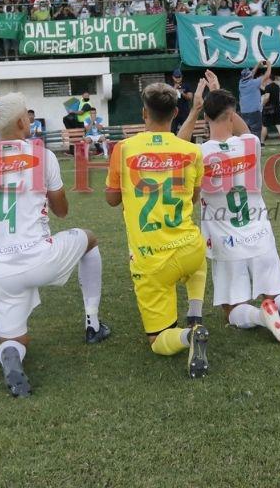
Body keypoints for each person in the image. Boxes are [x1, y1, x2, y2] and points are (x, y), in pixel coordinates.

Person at [0, 93, 108, 398]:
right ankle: (93, 323)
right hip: (40, 257)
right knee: (89, 239)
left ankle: (10, 356)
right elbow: (61, 211)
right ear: (22, 121)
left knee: (14, 339)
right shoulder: (41, 155)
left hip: (0, 267)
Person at [178, 72, 280, 345]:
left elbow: (178, 145)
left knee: (232, 310)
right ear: (232, 114)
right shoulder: (250, 143)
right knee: (273, 291)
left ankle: (263, 317)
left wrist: (195, 109)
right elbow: (241, 128)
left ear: (206, 118)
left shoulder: (198, 154)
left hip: (226, 242)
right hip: (260, 234)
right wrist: (220, 94)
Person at [105, 83, 210, 377]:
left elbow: (112, 199)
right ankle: (195, 308)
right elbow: (191, 198)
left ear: (143, 112)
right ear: (176, 113)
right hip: (190, 249)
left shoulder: (123, 149)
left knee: (157, 340)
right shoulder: (192, 151)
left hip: (151, 260)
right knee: (197, 253)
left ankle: (188, 335)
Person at [238, 60, 270, 135]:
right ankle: (255, 146)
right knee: (256, 132)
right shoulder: (254, 83)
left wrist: (258, 64)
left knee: (247, 132)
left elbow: (251, 73)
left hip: (244, 112)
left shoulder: (241, 83)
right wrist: (269, 65)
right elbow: (267, 75)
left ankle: (248, 146)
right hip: (254, 112)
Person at [261, 70, 280, 143]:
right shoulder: (277, 86)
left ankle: (262, 142)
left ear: (268, 78)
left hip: (269, 109)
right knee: (278, 124)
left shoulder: (268, 87)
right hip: (277, 108)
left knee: (265, 125)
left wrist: (263, 103)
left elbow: (267, 97)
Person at [170, 69, 192, 135]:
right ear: (173, 77)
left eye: (179, 77)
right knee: (172, 130)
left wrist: (182, 93)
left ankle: (189, 143)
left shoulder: (186, 85)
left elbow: (190, 97)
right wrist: (174, 88)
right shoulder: (170, 86)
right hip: (174, 113)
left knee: (187, 130)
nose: (178, 79)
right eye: (176, 77)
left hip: (184, 112)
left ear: (182, 77)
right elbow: (168, 98)